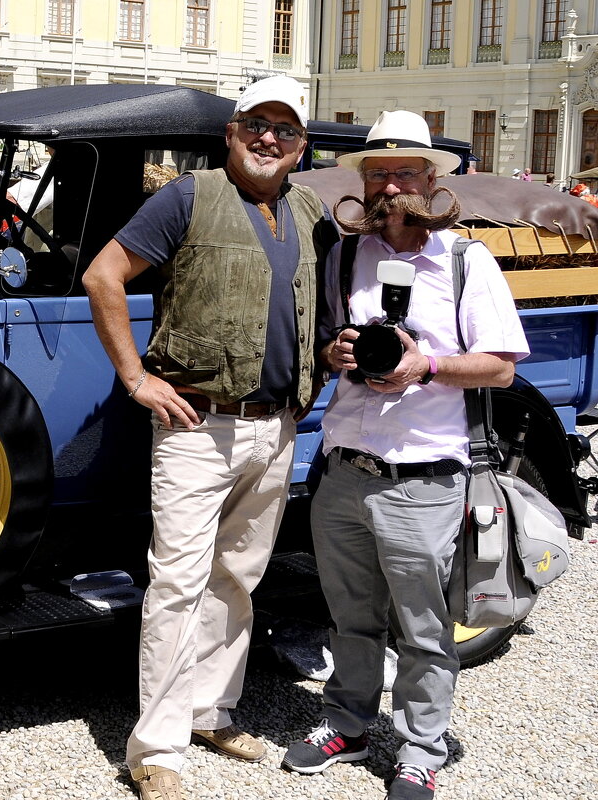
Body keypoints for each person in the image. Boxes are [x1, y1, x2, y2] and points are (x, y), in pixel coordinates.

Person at [82, 75, 335, 800]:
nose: (269, 139)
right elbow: (105, 275)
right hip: (200, 427)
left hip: (276, 427)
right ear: (231, 132)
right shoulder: (188, 196)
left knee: (238, 581)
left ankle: (211, 712)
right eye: (257, 123)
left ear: (301, 146)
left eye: (285, 130)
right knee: (178, 585)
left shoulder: (310, 209)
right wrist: (136, 379)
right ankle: (156, 748)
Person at [281, 110, 529, 800]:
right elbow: (333, 343)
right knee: (350, 615)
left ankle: (421, 747)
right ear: (365, 184)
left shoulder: (464, 260)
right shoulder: (344, 256)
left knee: (422, 628)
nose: (392, 187)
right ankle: (350, 725)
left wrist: (425, 367)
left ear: (431, 180)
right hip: (345, 468)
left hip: (423, 475)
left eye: (406, 172)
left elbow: (502, 367)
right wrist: (336, 353)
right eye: (380, 174)